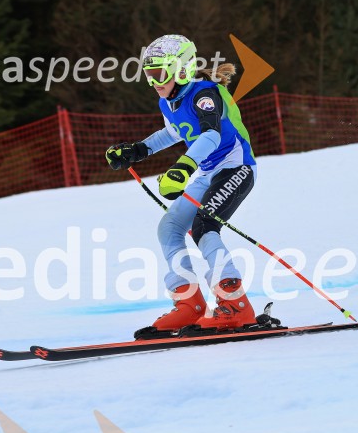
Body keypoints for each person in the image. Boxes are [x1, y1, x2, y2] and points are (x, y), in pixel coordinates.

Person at [105, 34, 257, 333]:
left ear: (182, 69)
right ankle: (189, 305)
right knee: (170, 228)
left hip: (235, 167)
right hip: (207, 173)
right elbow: (173, 133)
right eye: (149, 76)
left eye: (159, 74)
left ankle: (235, 305)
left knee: (204, 226)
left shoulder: (204, 94)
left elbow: (211, 135)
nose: (154, 82)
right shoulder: (168, 100)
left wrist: (182, 168)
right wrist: (138, 150)